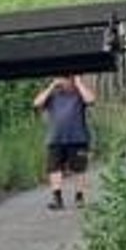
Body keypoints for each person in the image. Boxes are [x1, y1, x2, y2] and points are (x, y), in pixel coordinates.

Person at [34, 74, 95, 210]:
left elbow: (91, 100)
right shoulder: (53, 95)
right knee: (54, 168)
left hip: (78, 138)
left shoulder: (79, 94)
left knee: (79, 169)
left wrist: (79, 83)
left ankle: (79, 197)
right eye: (61, 78)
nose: (63, 81)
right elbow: (37, 103)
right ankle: (57, 198)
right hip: (56, 138)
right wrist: (51, 86)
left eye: (66, 78)